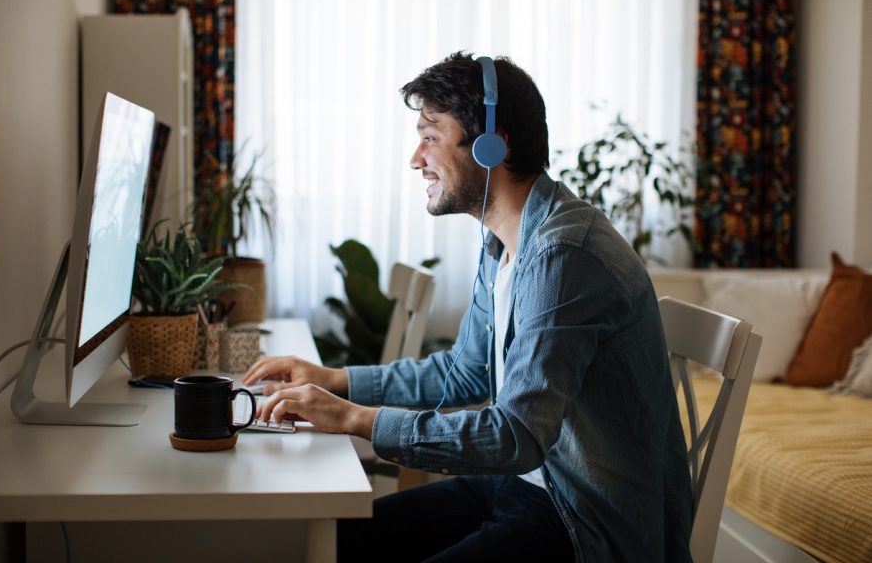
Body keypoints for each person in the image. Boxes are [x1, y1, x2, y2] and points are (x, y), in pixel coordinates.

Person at [243, 52, 694, 562]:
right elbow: (463, 375)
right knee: (331, 543)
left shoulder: (564, 255)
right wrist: (335, 381)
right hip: (522, 485)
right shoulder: (503, 240)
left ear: (489, 145)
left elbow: (516, 435)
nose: (416, 158)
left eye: (431, 136)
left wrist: (355, 419)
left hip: (579, 519)